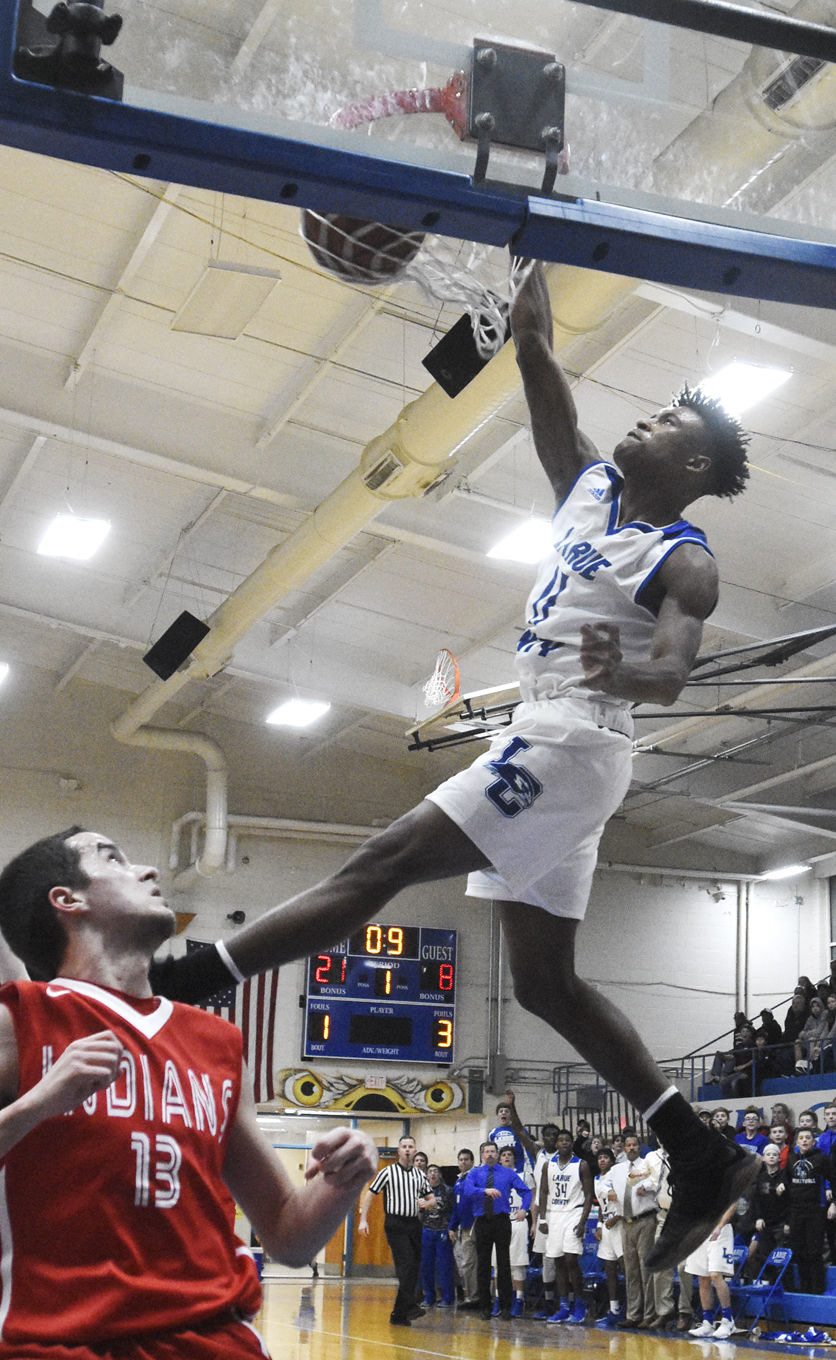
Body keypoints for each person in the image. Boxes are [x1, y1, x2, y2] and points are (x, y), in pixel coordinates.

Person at [0, 257, 753, 1274]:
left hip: (572, 739)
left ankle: (193, 973)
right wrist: (518, 260)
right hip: (550, 740)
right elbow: (536, 357)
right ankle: (696, 1149)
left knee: (382, 862)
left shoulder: (681, 556)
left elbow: (669, 667)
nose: (647, 420)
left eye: (669, 423)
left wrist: (624, 659)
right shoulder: (584, 487)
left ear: (694, 470)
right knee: (542, 985)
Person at [0, 827, 378, 1359]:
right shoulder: (19, 1020)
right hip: (66, 1342)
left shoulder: (217, 1041)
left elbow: (289, 1237)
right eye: (115, 859)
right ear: (67, 899)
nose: (148, 871)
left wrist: (342, 1183)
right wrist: (38, 1103)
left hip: (215, 1338)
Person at [358, 1134, 433, 1326]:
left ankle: (400, 1314)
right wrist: (363, 1219)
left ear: (415, 1150)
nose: (407, 1149)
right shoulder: (388, 1172)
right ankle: (409, 1307)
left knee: (414, 1267)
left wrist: (426, 1203)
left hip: (414, 1223)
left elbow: (432, 1199)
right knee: (406, 1264)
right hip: (396, 1224)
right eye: (404, 1146)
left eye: (410, 1146)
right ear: (398, 1151)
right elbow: (370, 1194)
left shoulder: (419, 1175)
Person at [462, 1140, 532, 1320]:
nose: (490, 1154)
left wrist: (524, 1208)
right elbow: (468, 1191)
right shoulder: (475, 1173)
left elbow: (526, 1192)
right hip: (482, 1221)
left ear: (497, 1154)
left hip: (502, 1220)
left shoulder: (508, 1173)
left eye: (493, 1151)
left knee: (504, 1264)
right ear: (482, 1155)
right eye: (487, 1152)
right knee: (483, 1264)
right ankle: (485, 1306)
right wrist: (485, 1191)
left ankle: (506, 1307)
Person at [536, 1127, 593, 1324]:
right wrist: (542, 1219)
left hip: (574, 1213)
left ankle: (580, 1304)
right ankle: (564, 1306)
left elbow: (588, 1196)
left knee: (570, 1259)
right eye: (560, 1140)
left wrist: (583, 1221)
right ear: (556, 1144)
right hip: (554, 1215)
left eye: (567, 1140)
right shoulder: (547, 1166)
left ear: (571, 1143)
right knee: (558, 1261)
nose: (564, 1143)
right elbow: (543, 1193)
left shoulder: (582, 1165)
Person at [605, 1132, 661, 1328]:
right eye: (627, 1145)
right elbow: (603, 1184)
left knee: (646, 1269)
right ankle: (633, 1314)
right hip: (625, 1222)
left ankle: (649, 1314)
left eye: (634, 1145)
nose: (630, 1148)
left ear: (640, 1147)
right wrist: (608, 1191)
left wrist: (644, 1186)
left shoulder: (648, 1165)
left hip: (645, 1220)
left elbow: (655, 1183)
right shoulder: (617, 1169)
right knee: (630, 1270)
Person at [787, 1127, 834, 1294]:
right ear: (797, 1142)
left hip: (815, 1210)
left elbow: (833, 1179)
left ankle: (817, 1290)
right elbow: (786, 1181)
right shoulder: (791, 1158)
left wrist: (834, 1203)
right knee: (799, 1251)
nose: (805, 1140)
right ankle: (805, 1288)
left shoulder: (821, 1159)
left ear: (814, 1142)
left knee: (814, 1251)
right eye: (802, 1138)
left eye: (808, 1138)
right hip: (795, 1211)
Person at [685, 1204, 738, 1340]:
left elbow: (733, 1202)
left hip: (720, 1230)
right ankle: (707, 1323)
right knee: (703, 1278)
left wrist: (720, 1225)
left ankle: (728, 1320)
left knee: (715, 1275)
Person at [592, 1147, 624, 1329]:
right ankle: (614, 1309)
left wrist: (617, 1217)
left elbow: (625, 1201)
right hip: (606, 1225)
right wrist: (599, 1226)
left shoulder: (616, 1176)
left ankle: (635, 1310)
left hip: (619, 1223)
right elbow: (600, 1207)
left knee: (626, 1268)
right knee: (609, 1268)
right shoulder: (597, 1180)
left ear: (612, 1161)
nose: (602, 1160)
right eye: (600, 1158)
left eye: (606, 1157)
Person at [498, 1146, 531, 1316]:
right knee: (498, 1265)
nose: (506, 1157)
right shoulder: (494, 1176)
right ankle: (499, 1299)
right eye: (503, 1155)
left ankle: (519, 1299)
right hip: (500, 1221)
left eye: (509, 1154)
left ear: (514, 1158)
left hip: (518, 1221)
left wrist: (525, 1209)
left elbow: (530, 1195)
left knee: (517, 1264)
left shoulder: (523, 1175)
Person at [420, 1164, 455, 1307]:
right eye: (430, 1172)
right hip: (427, 1231)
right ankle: (429, 1297)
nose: (433, 1174)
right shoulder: (423, 1191)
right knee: (426, 1266)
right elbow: (420, 1212)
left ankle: (448, 1297)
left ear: (439, 1174)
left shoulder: (448, 1191)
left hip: (443, 1231)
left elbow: (454, 1210)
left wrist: (451, 1228)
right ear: (427, 1175)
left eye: (435, 1171)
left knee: (444, 1266)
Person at [449, 1147, 480, 1309]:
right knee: (466, 1264)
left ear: (472, 1162)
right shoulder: (458, 1181)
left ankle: (475, 1297)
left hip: (475, 1226)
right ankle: (472, 1295)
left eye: (466, 1159)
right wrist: (451, 1227)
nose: (463, 1162)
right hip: (463, 1228)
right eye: (461, 1160)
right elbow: (456, 1207)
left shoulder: (475, 1178)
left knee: (470, 1263)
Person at [488, 1091, 538, 1175]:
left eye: (507, 1111)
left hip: (519, 1170)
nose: (503, 1113)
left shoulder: (518, 1130)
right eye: (501, 1111)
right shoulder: (492, 1133)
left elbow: (527, 1150)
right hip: (501, 1172)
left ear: (511, 1115)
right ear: (497, 1115)